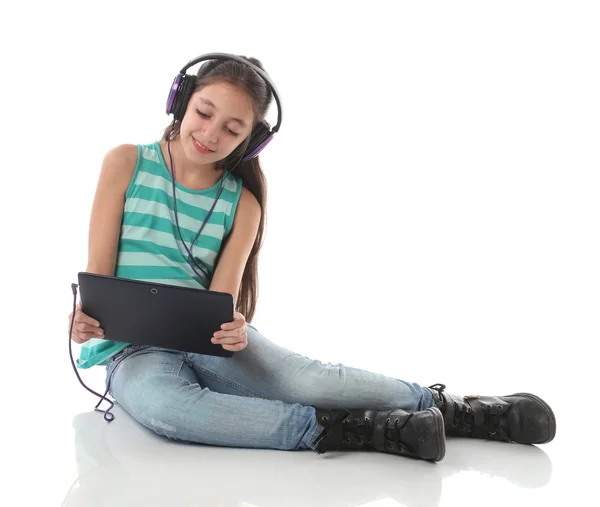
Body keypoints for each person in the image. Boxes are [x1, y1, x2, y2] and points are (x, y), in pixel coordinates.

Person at [68, 53, 556, 462]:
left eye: (233, 128)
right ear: (182, 101)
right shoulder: (125, 163)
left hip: (206, 340)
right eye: (203, 112)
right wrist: (85, 319)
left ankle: (452, 409)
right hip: (131, 350)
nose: (211, 133)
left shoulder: (243, 204)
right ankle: (356, 429)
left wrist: (233, 325)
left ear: (251, 141)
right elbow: (100, 277)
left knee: (305, 378)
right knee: (168, 411)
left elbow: (221, 296)